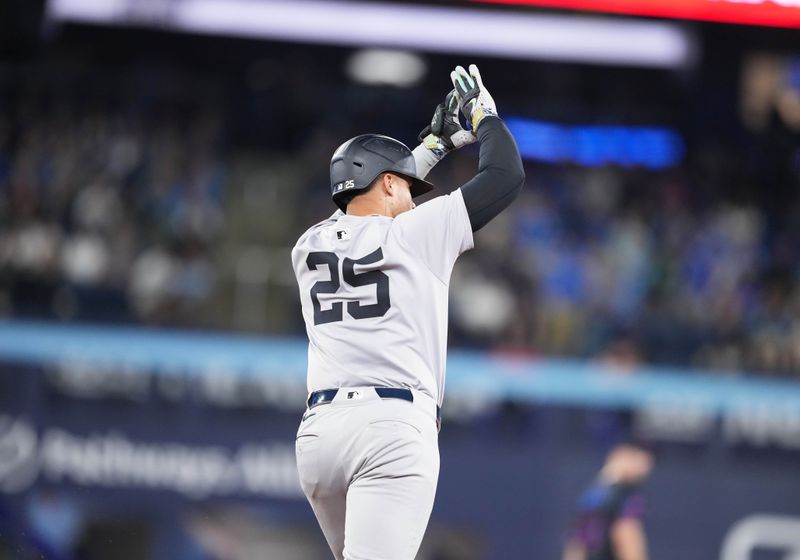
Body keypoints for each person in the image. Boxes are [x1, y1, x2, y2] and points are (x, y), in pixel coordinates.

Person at [291, 64, 525, 560]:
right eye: (407, 188)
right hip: (390, 427)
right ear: (391, 184)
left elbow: (363, 197)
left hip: (319, 436)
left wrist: (434, 146)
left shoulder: (308, 244)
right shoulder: (415, 236)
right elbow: (506, 174)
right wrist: (485, 117)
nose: (415, 198)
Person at [563, 442, 655, 560]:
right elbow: (627, 534)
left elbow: (576, 543)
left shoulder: (592, 494)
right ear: (620, 455)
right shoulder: (627, 495)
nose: (645, 469)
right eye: (640, 461)